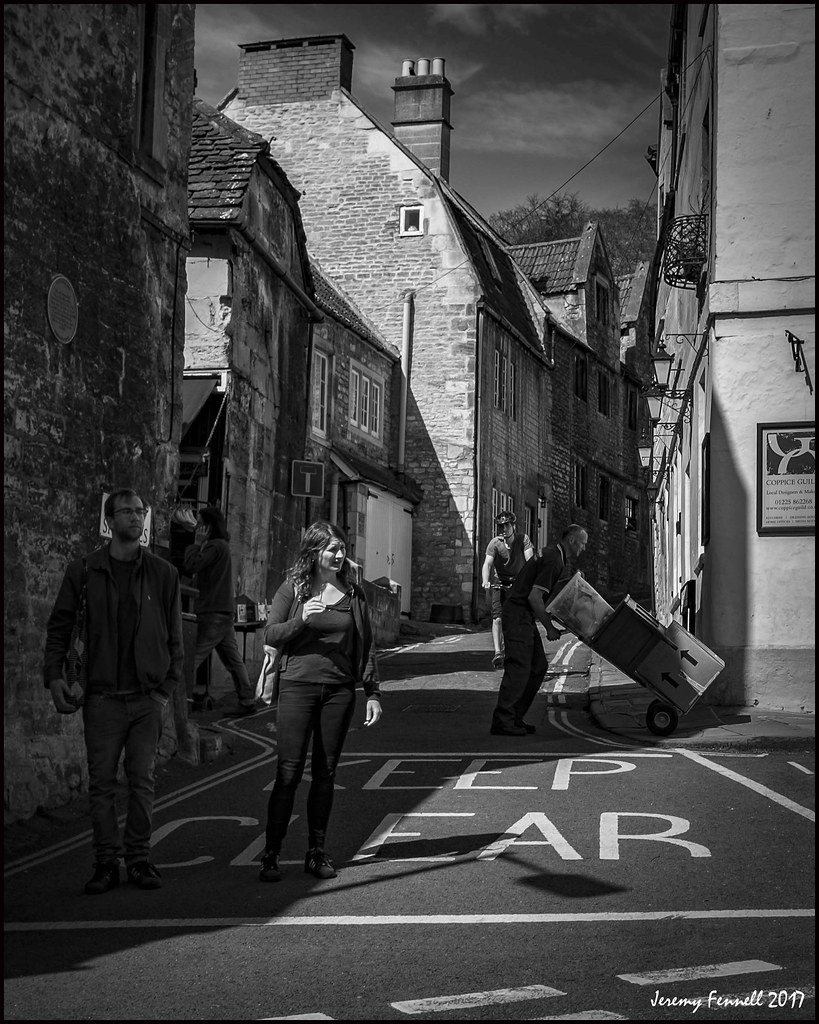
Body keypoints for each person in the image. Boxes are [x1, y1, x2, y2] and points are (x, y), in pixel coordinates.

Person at [43, 488, 183, 894]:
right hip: (102, 698)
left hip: (145, 699)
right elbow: (60, 627)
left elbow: (176, 643)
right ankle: (105, 863)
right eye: (127, 512)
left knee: (143, 780)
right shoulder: (83, 571)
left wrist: (163, 694)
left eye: (141, 512)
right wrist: (54, 677)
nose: (136, 518)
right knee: (102, 784)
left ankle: (139, 860)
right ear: (110, 521)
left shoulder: (164, 574)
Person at [258, 521, 382, 883]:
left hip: (339, 691)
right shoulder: (294, 589)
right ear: (314, 554)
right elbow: (271, 632)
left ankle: (316, 851)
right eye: (332, 550)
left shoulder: (353, 594)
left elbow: (366, 645)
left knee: (325, 774)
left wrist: (372, 692)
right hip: (298, 687)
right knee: (288, 773)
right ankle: (271, 854)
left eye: (342, 549)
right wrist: (302, 620)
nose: (340, 555)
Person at [490, 524, 588, 736]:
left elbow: (545, 593)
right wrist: (550, 627)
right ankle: (504, 719)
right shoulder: (554, 559)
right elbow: (535, 597)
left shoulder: (554, 556)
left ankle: (514, 718)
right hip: (518, 614)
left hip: (522, 614)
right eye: (582, 543)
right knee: (520, 667)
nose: (584, 548)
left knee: (537, 667)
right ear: (571, 540)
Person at [183, 505, 256, 717]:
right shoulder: (221, 545)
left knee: (192, 657)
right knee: (232, 658)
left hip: (213, 611)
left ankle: (180, 700)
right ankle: (247, 699)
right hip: (222, 611)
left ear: (208, 527)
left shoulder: (213, 546)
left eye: (200, 524)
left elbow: (191, 566)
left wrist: (195, 544)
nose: (197, 527)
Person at [481, 511, 534, 669]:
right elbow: (487, 564)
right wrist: (485, 581)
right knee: (497, 618)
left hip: (518, 582)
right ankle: (498, 653)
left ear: (513, 526)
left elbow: (530, 562)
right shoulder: (495, 543)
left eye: (506, 525)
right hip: (500, 582)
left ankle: (520, 649)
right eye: (500, 526)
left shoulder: (522, 540)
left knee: (520, 618)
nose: (503, 528)